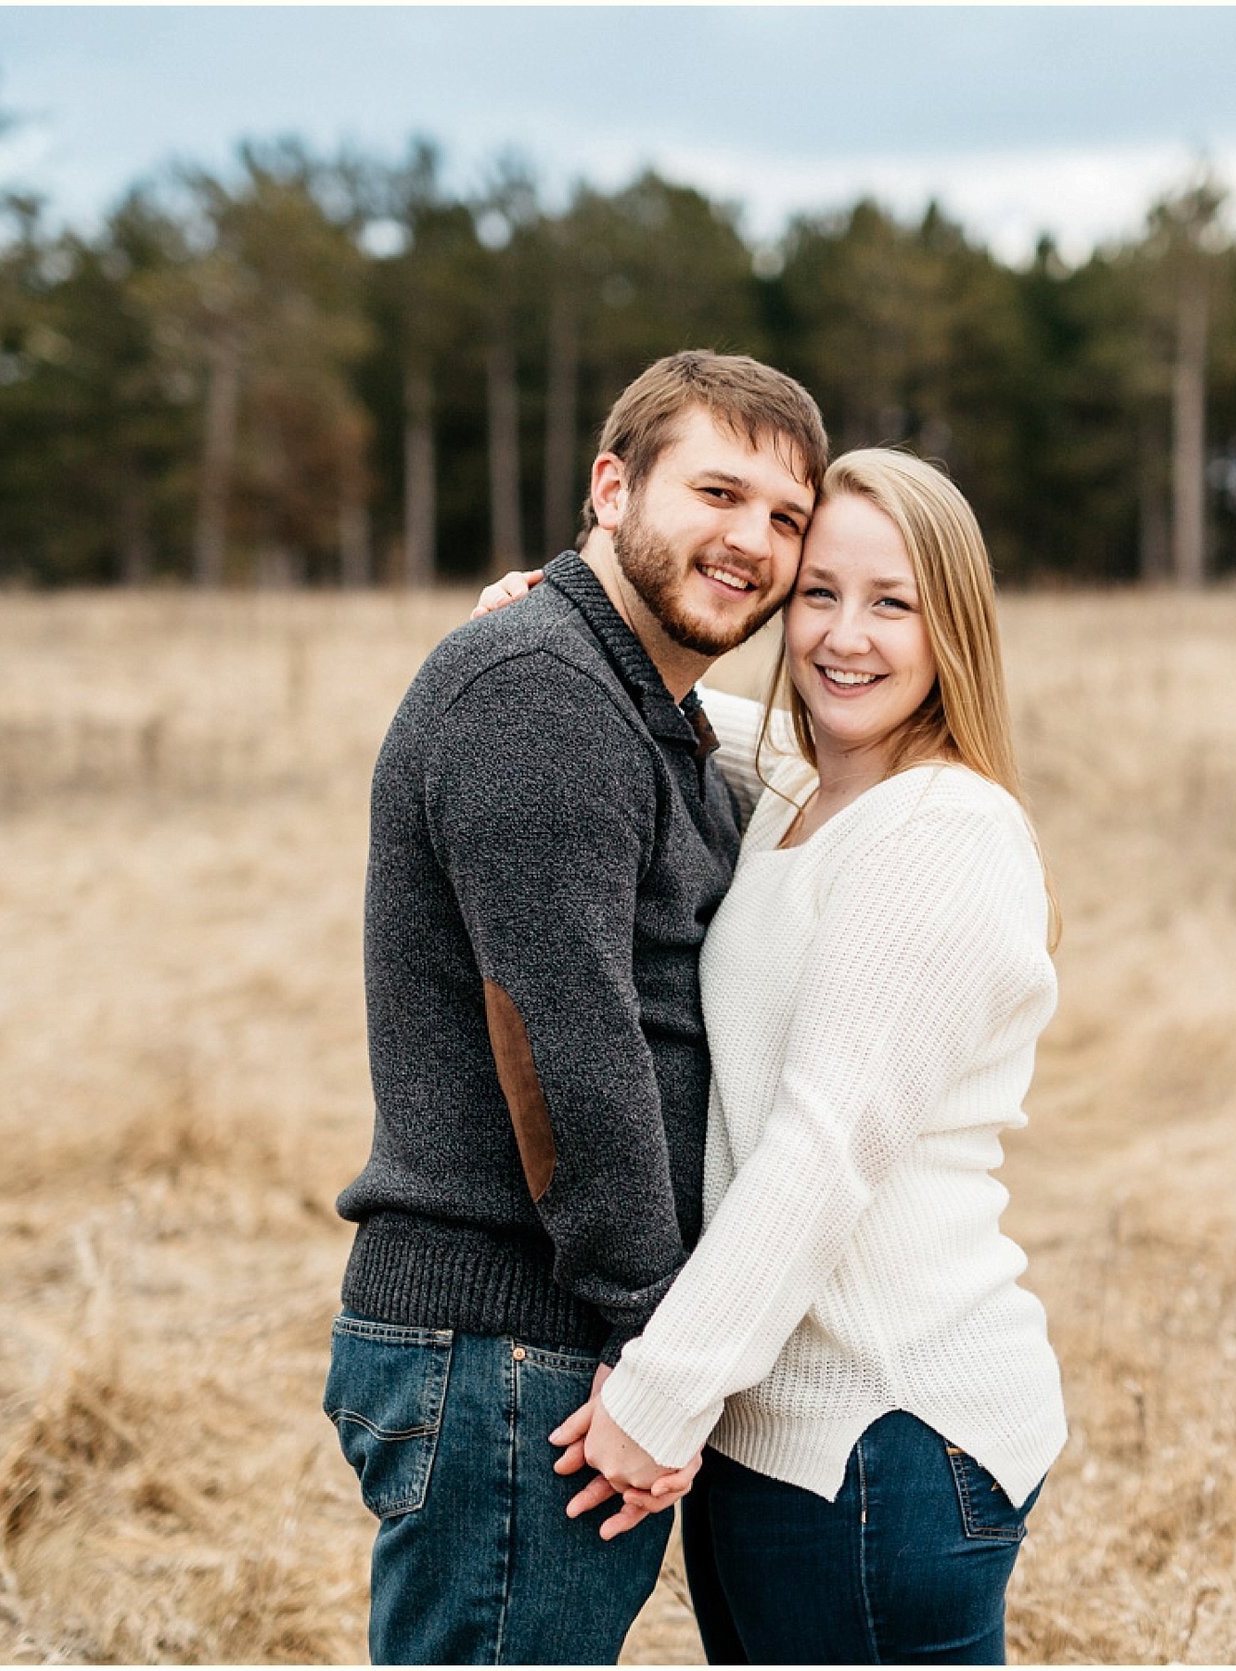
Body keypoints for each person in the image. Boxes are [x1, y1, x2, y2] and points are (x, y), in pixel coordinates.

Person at [481, 449, 1068, 1664]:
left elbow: (821, 1150)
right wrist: (564, 641)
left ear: (951, 623)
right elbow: (715, 732)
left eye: (892, 602)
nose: (844, 637)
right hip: (784, 1436)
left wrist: (657, 1397)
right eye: (817, 594)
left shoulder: (942, 831)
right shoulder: (818, 788)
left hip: (884, 1431)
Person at [323, 350, 828, 1664]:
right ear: (612, 486)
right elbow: (569, 1042)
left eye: (787, 516)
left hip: (545, 1341)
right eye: (718, 491)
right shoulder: (540, 690)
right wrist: (654, 1337)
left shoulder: (637, 709)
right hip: (518, 1341)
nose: (754, 542)